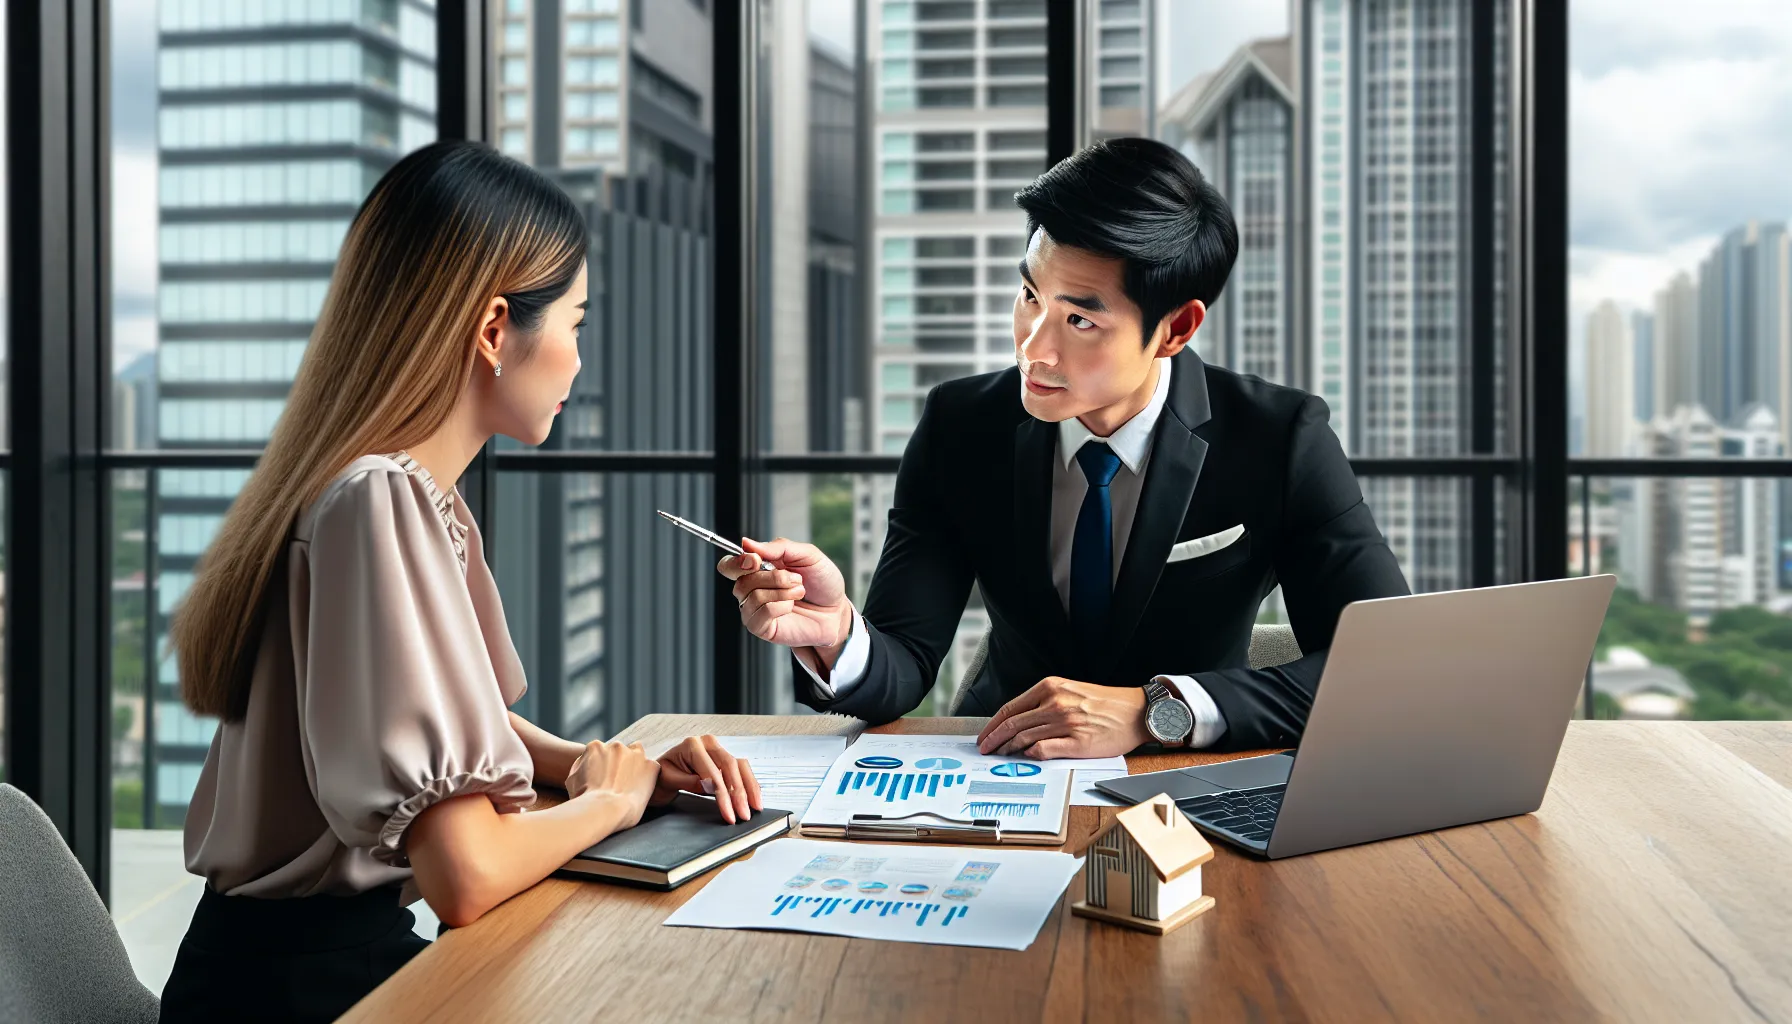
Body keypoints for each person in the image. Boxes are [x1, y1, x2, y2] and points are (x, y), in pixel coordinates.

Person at [158, 140, 762, 1024]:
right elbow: (466, 875)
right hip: (305, 994)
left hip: (294, 969)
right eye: (576, 324)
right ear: (493, 331)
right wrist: (606, 803)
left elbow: (421, 719)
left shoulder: (386, 492)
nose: (579, 363)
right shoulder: (379, 501)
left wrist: (612, 768)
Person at [719, 137, 1408, 760]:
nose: (1033, 347)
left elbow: (1382, 666)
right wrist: (837, 632)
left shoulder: (1279, 438)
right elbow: (902, 665)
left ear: (1176, 328)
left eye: (1079, 318)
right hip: (999, 767)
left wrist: (1156, 711)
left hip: (1191, 777)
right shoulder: (962, 426)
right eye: (1029, 295)